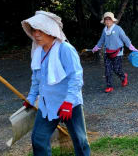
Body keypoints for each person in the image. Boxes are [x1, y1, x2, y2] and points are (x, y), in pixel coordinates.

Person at [21, 11, 90, 156]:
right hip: (47, 103)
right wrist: (32, 97)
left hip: (69, 104)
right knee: (38, 139)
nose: (36, 34)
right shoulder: (37, 51)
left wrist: (68, 102)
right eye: (34, 30)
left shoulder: (65, 49)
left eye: (41, 30)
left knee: (80, 140)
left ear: (51, 30)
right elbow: (36, 78)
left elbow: (76, 77)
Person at [92, 12, 138, 93]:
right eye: (106, 19)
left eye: (109, 19)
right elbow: (102, 40)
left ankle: (123, 77)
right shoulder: (105, 30)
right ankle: (109, 86)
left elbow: (125, 38)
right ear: (104, 21)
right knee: (107, 70)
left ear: (112, 20)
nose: (107, 21)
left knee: (117, 69)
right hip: (107, 52)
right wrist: (97, 47)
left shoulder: (118, 29)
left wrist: (131, 47)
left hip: (118, 53)